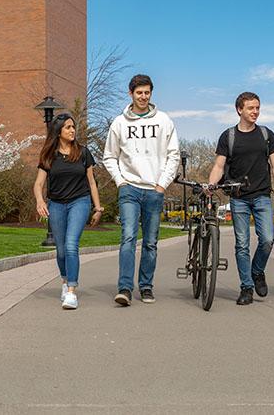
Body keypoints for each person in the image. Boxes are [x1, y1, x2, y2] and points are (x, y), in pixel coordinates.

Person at [104, 74, 180, 306]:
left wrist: (161, 185)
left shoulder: (164, 121)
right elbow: (109, 156)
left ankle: (146, 286)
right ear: (131, 94)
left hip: (154, 190)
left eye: (147, 92)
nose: (143, 97)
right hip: (129, 189)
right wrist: (120, 181)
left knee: (150, 242)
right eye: (139, 93)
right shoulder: (119, 123)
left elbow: (173, 154)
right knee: (128, 237)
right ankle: (125, 288)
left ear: (151, 93)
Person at [208, 92, 274, 306]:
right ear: (239, 110)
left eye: (257, 108)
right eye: (251, 108)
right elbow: (219, 165)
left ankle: (257, 271)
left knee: (268, 239)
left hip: (262, 195)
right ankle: (246, 287)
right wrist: (210, 185)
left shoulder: (265, 134)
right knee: (242, 244)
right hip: (239, 198)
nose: (255, 112)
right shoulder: (229, 136)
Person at [33, 114, 103, 310]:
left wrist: (97, 208)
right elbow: (38, 184)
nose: (72, 131)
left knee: (72, 245)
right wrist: (40, 200)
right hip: (56, 204)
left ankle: (71, 291)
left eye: (73, 127)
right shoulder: (48, 155)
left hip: (79, 202)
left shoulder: (83, 152)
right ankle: (65, 280)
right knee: (61, 249)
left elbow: (91, 182)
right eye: (68, 127)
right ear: (58, 132)